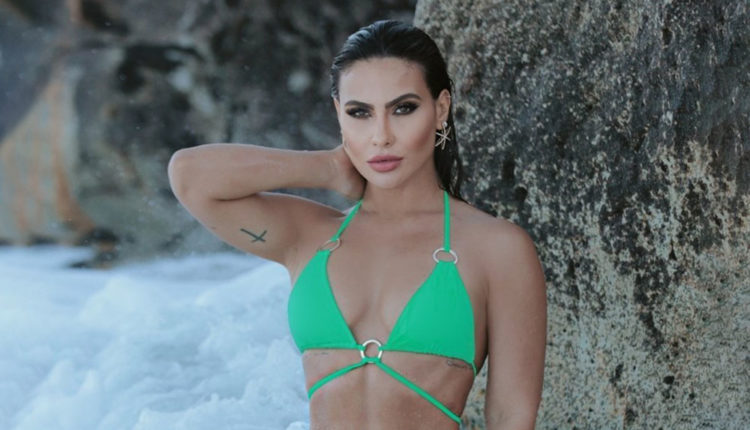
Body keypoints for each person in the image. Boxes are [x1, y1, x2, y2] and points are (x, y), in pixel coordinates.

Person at [168, 19, 546, 429]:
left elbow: (510, 417)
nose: (381, 136)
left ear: (440, 109)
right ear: (339, 114)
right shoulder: (310, 236)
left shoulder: (496, 247)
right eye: (359, 113)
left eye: (403, 109)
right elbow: (189, 176)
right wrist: (328, 168)